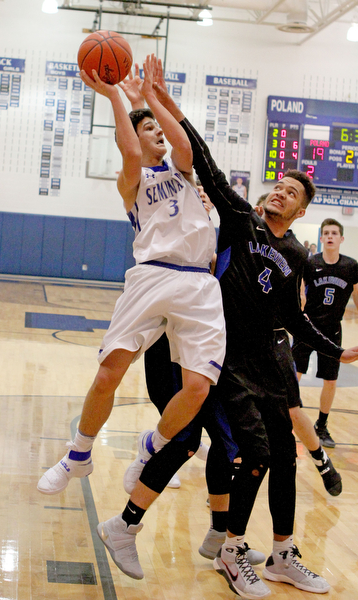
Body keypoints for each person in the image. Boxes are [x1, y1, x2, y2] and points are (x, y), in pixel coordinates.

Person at [96, 57, 358, 597]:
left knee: (253, 449)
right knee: (210, 442)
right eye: (276, 187)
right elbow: (206, 164)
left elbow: (294, 317)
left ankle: (244, 541)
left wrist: (337, 347)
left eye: (291, 190)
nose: (280, 193)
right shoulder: (239, 219)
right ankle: (137, 522)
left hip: (252, 355)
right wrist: (164, 101)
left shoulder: (294, 253)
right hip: (203, 346)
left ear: (302, 209)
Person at [37, 53, 226, 529]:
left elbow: (186, 144)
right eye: (149, 131)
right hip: (154, 274)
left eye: (158, 131)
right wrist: (117, 96)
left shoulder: (185, 175)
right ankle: (78, 454)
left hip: (201, 285)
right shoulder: (133, 181)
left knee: (198, 388)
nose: (157, 135)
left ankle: (152, 447)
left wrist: (156, 101)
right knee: (109, 372)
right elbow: (127, 151)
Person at [255, 200, 342, 496]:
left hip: (280, 335)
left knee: (293, 406)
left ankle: (321, 457)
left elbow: (297, 304)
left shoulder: (295, 252)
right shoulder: (243, 236)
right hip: (237, 340)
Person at [292, 218, 358, 447]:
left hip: (333, 330)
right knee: (294, 375)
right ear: (321, 238)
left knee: (330, 380)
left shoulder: (351, 266)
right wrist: (301, 312)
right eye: (326, 233)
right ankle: (285, 419)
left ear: (341, 239)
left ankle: (322, 425)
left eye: (334, 233)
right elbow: (299, 290)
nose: (330, 236)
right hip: (308, 328)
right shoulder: (310, 263)